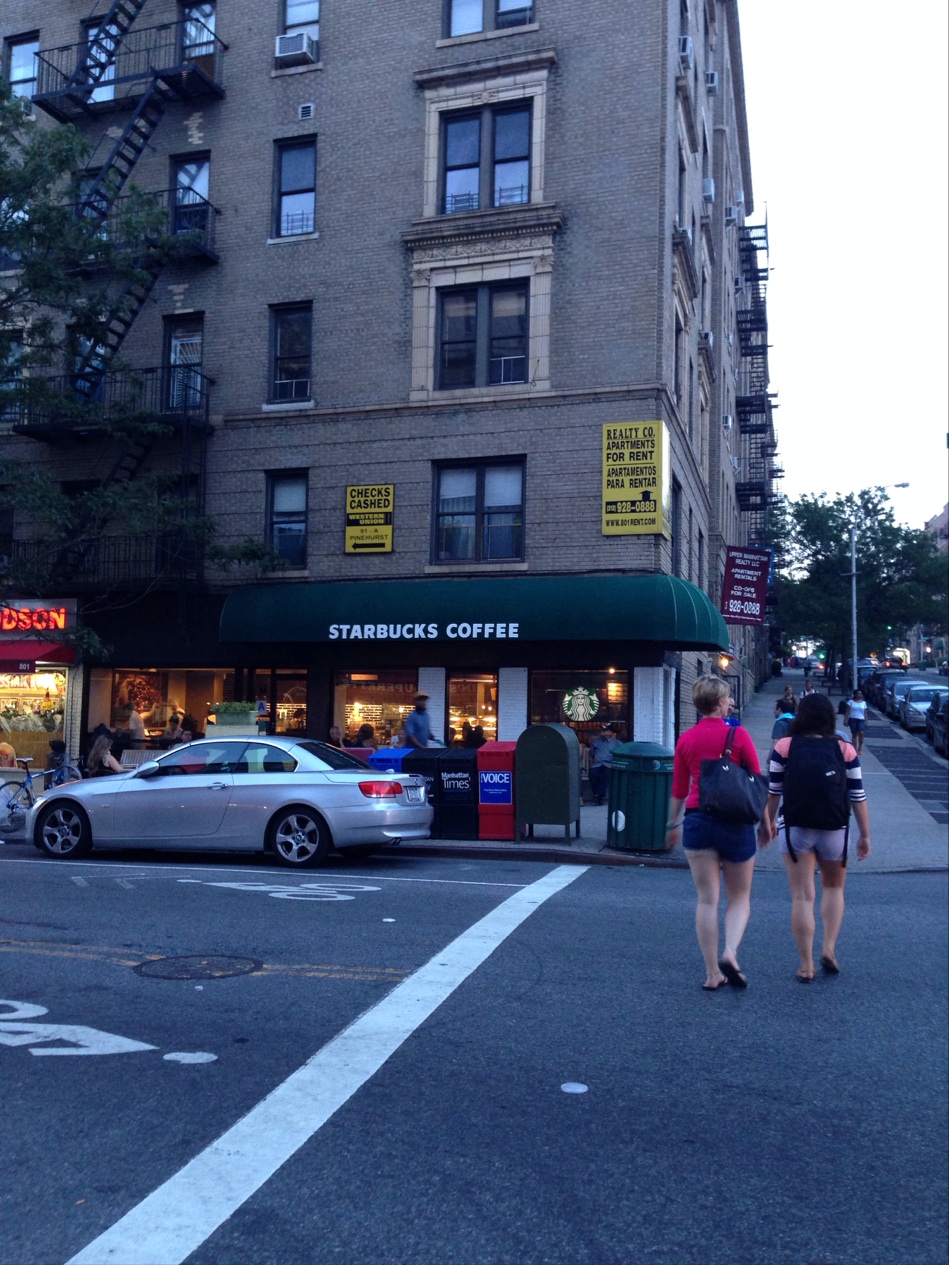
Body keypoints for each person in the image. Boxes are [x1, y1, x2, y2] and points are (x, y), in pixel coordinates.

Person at [665, 676, 771, 991]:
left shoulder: (686, 740)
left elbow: (679, 790)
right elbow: (755, 781)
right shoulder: (738, 735)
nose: (730, 703)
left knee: (707, 900)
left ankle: (712, 973)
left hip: (698, 822)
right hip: (735, 823)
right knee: (739, 897)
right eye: (727, 699)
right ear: (720, 702)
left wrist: (673, 824)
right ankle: (730, 952)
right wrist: (766, 822)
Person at [762, 692, 872, 981]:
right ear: (829, 719)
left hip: (796, 827)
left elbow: (774, 792)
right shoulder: (845, 749)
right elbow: (858, 796)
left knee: (802, 896)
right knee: (834, 889)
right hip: (835, 827)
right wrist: (865, 835)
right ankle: (829, 949)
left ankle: (806, 964)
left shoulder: (784, 746)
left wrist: (768, 823)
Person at [588, 721, 620, 805]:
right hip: (597, 764)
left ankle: (600, 796)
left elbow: (621, 755)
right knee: (592, 773)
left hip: (609, 765)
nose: (602, 732)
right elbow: (591, 753)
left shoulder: (617, 743)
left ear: (610, 732)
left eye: (605, 730)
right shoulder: (596, 742)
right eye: (602, 730)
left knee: (606, 775)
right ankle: (597, 794)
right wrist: (591, 764)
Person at [844, 688, 868, 754]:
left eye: (860, 693)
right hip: (853, 719)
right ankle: (854, 748)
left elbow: (865, 713)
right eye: (858, 693)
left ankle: (860, 748)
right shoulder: (850, 702)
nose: (859, 695)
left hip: (861, 719)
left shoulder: (863, 703)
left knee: (861, 732)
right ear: (855, 694)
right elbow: (847, 712)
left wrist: (867, 722)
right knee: (854, 734)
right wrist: (845, 720)